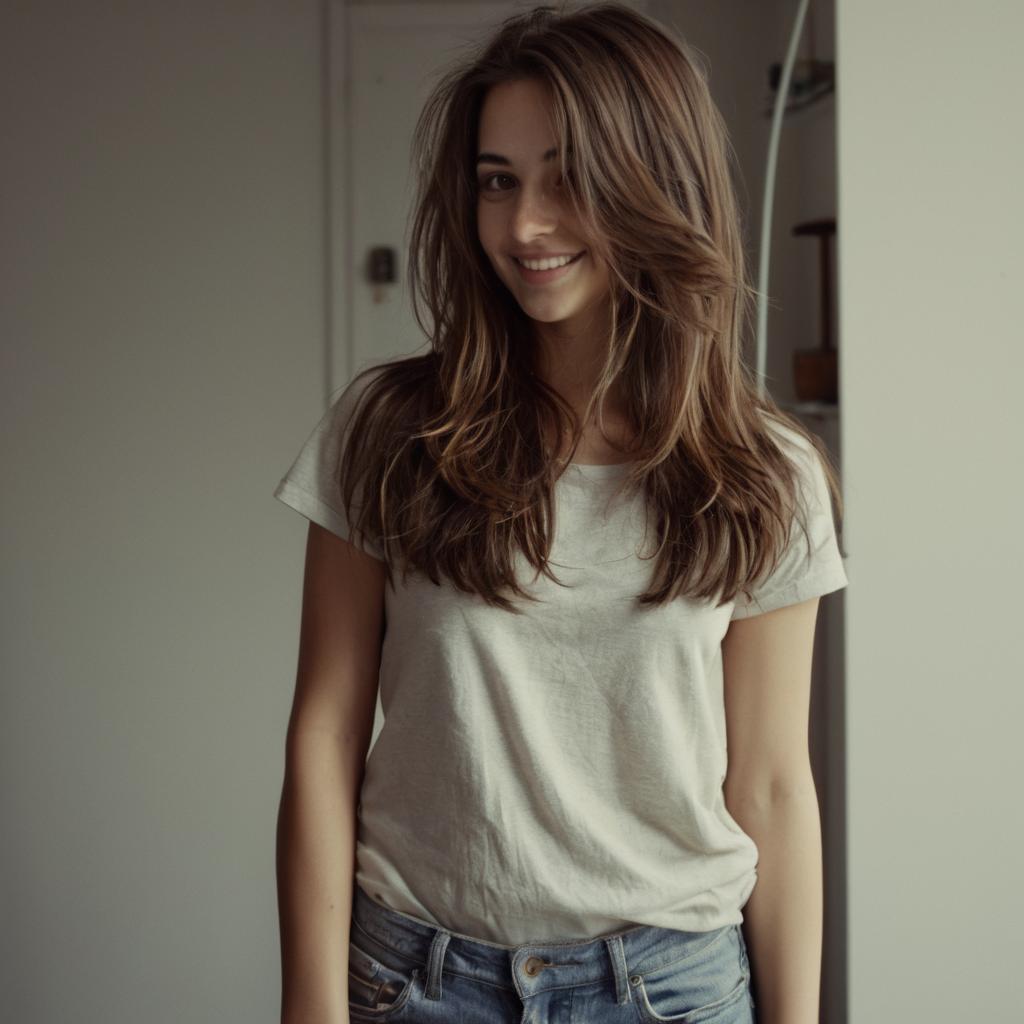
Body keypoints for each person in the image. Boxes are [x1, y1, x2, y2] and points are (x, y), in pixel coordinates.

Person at [273, 3, 848, 1022]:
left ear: (653, 184)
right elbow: (323, 738)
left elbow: (769, 785)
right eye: (499, 180)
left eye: (566, 177)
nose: (525, 223)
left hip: (670, 987)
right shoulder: (386, 430)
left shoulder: (765, 470)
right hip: (414, 981)